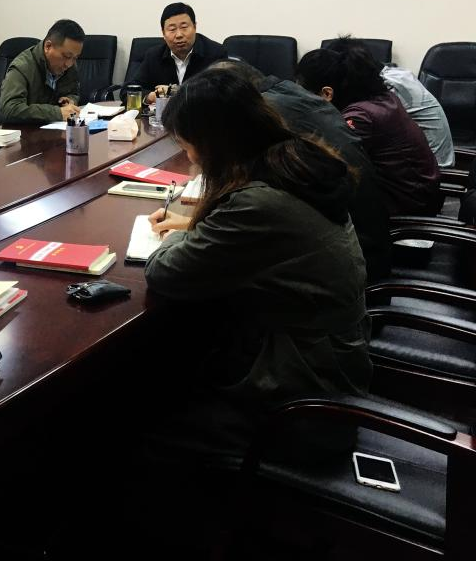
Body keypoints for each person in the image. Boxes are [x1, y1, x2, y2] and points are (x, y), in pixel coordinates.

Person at [143, 70, 371, 465]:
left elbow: (165, 270)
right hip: (334, 359)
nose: (190, 159)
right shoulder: (296, 158)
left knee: (139, 408)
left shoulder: (256, 203)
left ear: (212, 142)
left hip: (302, 395)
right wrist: (200, 228)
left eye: (189, 146)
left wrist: (182, 235)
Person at [208, 59, 391, 282]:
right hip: (361, 235)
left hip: (352, 258)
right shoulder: (291, 91)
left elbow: (243, 184)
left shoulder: (266, 110)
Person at [297, 44, 441, 217]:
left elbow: (331, 163)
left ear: (327, 93)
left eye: (303, 95)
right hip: (417, 194)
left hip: (405, 205)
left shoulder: (360, 117)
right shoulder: (383, 98)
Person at [133, 2, 226, 103]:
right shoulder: (154, 56)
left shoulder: (216, 53)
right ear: (163, 33)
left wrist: (176, 92)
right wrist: (151, 97)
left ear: (195, 27)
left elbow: (224, 93)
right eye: (172, 29)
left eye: (184, 27)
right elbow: (129, 90)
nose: (179, 35)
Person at [0, 19, 84, 123]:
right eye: (66, 56)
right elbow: (9, 109)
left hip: (54, 129)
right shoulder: (22, 67)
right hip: (25, 131)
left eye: (75, 58)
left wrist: (70, 100)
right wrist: (57, 113)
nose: (69, 64)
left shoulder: (69, 65)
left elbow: (73, 92)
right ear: (48, 46)